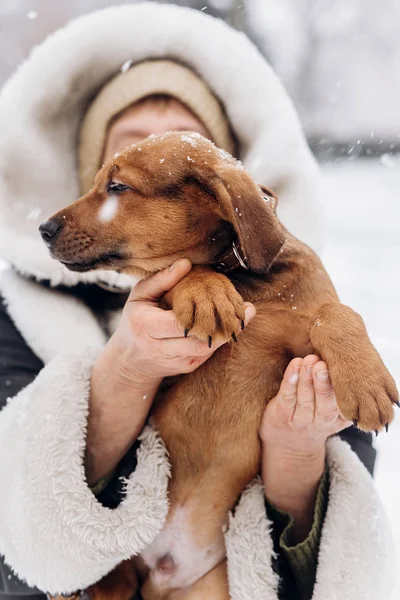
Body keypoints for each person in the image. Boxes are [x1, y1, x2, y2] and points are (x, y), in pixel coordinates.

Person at [0, 4, 395, 600]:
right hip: (112, 568)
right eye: (105, 180)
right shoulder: (21, 314)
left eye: (119, 188)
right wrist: (127, 364)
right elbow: (13, 534)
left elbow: (334, 544)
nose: (73, 217)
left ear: (213, 197)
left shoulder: (292, 271)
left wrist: (298, 442)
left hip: (221, 570)